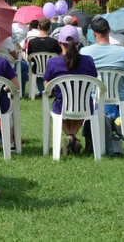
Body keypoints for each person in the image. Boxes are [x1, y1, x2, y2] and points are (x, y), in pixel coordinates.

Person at [42, 25, 98, 155]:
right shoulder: (88, 61)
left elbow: (47, 87)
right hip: (84, 105)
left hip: (61, 105)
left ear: (59, 43)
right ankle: (73, 137)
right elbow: (94, 78)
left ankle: (70, 137)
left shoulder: (53, 62)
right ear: (78, 43)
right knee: (82, 105)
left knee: (58, 105)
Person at [80, 17, 124, 113]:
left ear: (93, 33)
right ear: (109, 30)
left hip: (95, 94)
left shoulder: (84, 51)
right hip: (121, 95)